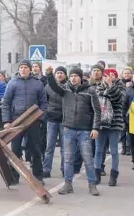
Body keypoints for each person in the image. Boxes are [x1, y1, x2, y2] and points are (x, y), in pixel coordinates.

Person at [46, 66, 101, 196]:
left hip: (85, 131)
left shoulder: (90, 91)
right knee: (68, 159)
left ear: (81, 77)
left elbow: (97, 111)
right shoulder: (65, 90)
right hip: (69, 129)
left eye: (75, 76)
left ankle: (92, 184)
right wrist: (49, 74)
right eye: (71, 76)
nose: (73, 78)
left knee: (88, 159)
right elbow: (53, 86)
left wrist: (95, 128)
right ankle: (68, 184)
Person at [2, 60, 47, 185]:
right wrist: (6, 121)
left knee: (35, 149)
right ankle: (14, 177)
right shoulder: (12, 83)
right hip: (16, 121)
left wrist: (41, 117)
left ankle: (38, 176)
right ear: (19, 69)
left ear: (30, 69)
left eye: (25, 67)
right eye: (21, 67)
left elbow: (44, 103)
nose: (23, 70)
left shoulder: (37, 84)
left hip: (33, 121)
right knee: (15, 150)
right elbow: (6, 103)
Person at [93, 68, 125, 186]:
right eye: (107, 75)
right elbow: (97, 100)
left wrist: (111, 86)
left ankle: (113, 175)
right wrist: (107, 91)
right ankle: (97, 174)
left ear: (115, 76)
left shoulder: (120, 87)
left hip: (114, 124)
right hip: (101, 123)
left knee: (114, 151)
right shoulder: (99, 87)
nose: (109, 77)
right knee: (98, 150)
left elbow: (119, 99)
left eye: (112, 75)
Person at [43, 66, 67, 178]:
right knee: (49, 146)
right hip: (51, 119)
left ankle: (64, 169)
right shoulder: (48, 87)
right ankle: (46, 169)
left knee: (65, 147)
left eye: (62, 73)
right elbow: (44, 101)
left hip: (64, 121)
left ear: (65, 75)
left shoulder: (67, 87)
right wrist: (47, 112)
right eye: (57, 73)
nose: (59, 75)